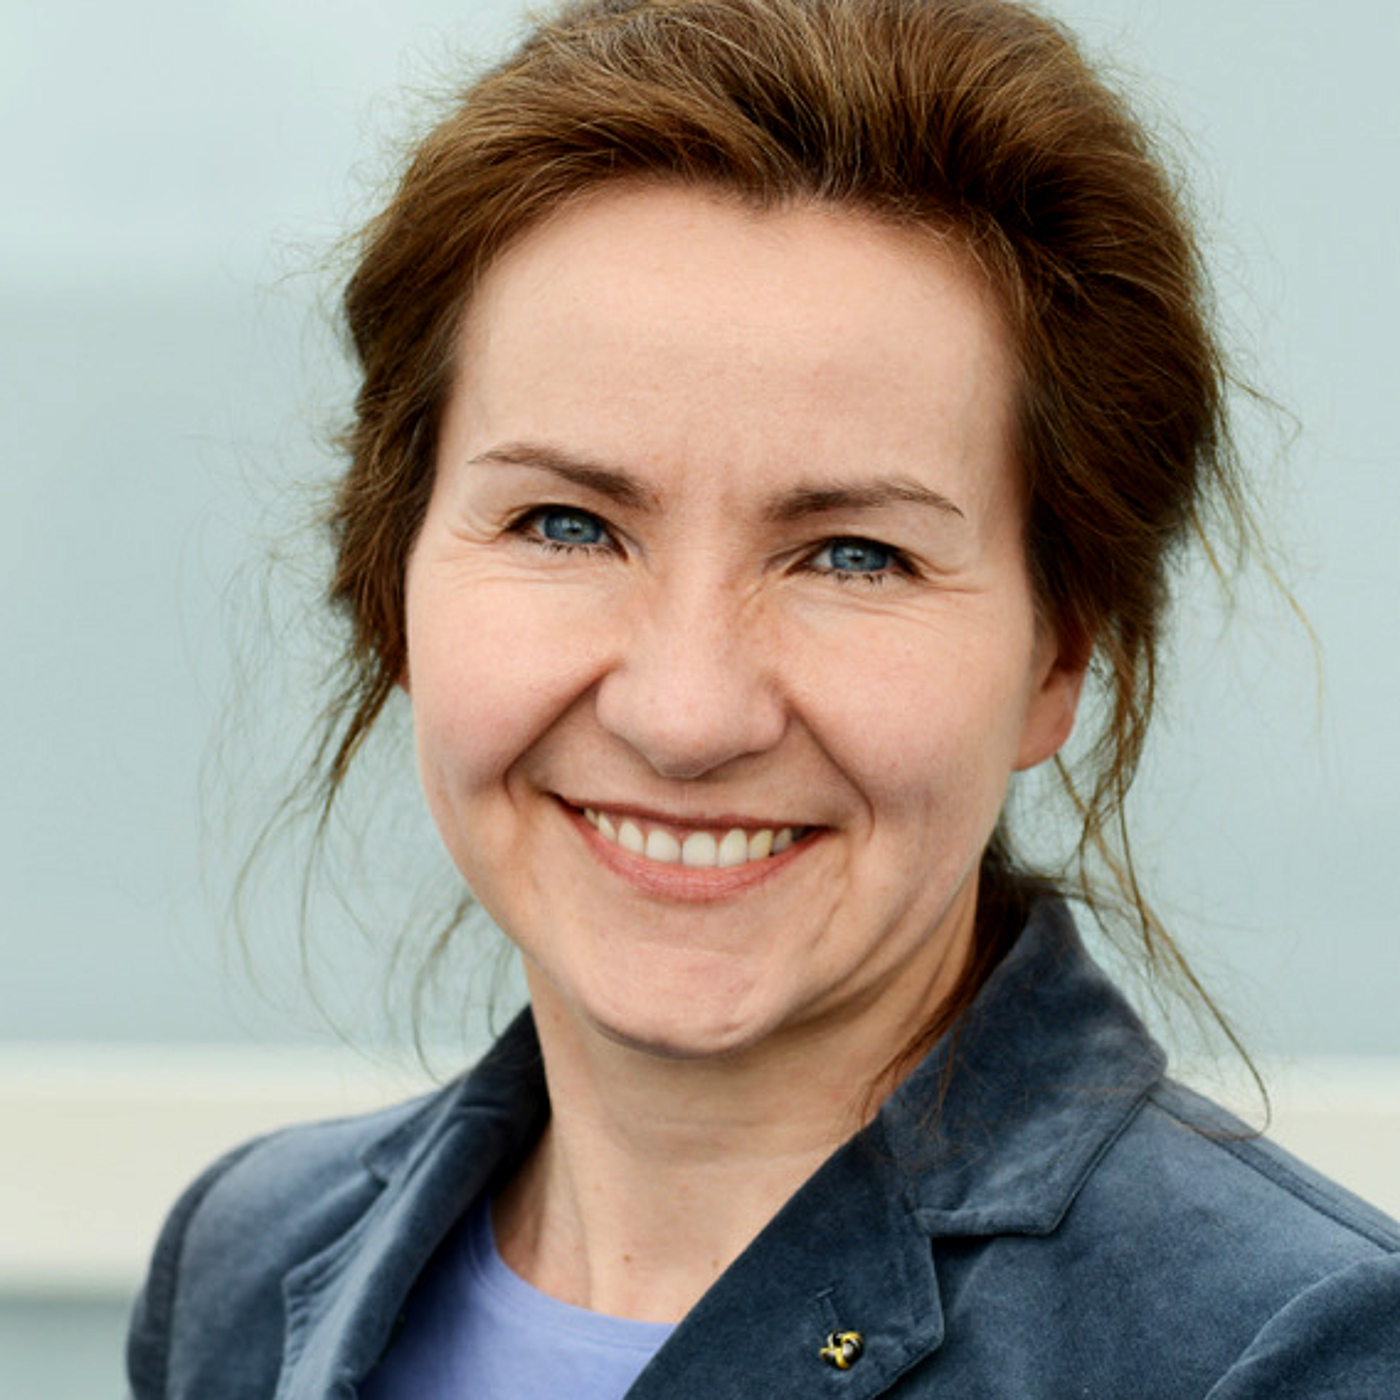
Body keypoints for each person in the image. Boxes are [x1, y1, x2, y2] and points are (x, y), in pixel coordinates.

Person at [126, 0, 1400, 1395]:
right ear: (394, 579)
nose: (686, 715)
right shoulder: (248, 1267)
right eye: (566, 526)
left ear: (1058, 659)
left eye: (854, 555)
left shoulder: (1290, 1350)